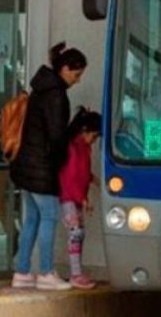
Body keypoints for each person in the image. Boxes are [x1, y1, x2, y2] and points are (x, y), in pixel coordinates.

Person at [10, 42, 87, 291]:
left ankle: (22, 271)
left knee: (32, 218)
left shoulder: (42, 89)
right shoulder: (56, 95)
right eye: (76, 75)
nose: (77, 81)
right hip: (42, 168)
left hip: (26, 165)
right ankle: (45, 272)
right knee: (49, 217)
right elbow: (56, 138)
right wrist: (73, 131)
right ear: (64, 69)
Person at [58, 107, 102, 290]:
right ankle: (75, 274)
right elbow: (70, 178)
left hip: (76, 197)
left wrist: (93, 179)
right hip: (68, 197)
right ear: (84, 131)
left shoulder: (83, 148)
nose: (95, 140)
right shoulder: (73, 148)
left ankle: (77, 271)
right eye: (94, 135)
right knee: (75, 233)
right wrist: (82, 198)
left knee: (79, 233)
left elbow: (82, 173)